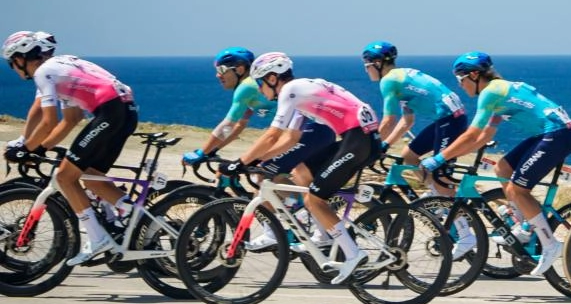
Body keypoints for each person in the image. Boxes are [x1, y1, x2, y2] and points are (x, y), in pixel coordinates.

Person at [420, 52, 571, 278]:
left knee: (517, 189)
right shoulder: (499, 92)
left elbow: (471, 134)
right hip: (550, 133)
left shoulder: (490, 93)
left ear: (474, 75)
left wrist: (438, 158)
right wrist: (449, 156)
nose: (460, 85)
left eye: (461, 79)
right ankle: (524, 225)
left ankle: (550, 244)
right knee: (502, 168)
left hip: (557, 135)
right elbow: (483, 137)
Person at [231, 53, 382, 282]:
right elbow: (292, 138)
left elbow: (272, 135)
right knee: (304, 172)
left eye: (261, 83)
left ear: (272, 78)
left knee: (314, 199)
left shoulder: (290, 91)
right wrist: (260, 161)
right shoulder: (301, 92)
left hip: (357, 140)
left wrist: (240, 162)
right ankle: (322, 233)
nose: (260, 90)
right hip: (362, 137)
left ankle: (353, 254)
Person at [4, 32, 139, 265]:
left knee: (65, 177)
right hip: (126, 111)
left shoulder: (44, 73)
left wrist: (25, 149)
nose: (14, 69)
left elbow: (49, 122)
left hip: (110, 112)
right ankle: (140, 220)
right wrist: (40, 149)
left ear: (20, 58)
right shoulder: (60, 67)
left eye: (11, 64)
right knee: (92, 178)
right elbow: (71, 119)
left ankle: (98, 239)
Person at [362, 41, 475, 256]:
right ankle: (438, 198)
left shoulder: (389, 81)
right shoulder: (400, 78)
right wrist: (385, 144)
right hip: (449, 118)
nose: (366, 69)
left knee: (439, 175)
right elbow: (407, 121)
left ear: (377, 63)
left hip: (449, 120)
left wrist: (370, 146)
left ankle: (465, 234)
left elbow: (388, 120)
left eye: (367, 65)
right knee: (409, 157)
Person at [184, 48, 272, 165]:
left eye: (221, 69)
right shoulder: (252, 85)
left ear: (240, 70)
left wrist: (202, 153)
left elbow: (228, 124)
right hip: (289, 133)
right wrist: (213, 149)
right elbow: (237, 126)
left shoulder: (246, 87)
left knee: (259, 169)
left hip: (290, 134)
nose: (217, 75)